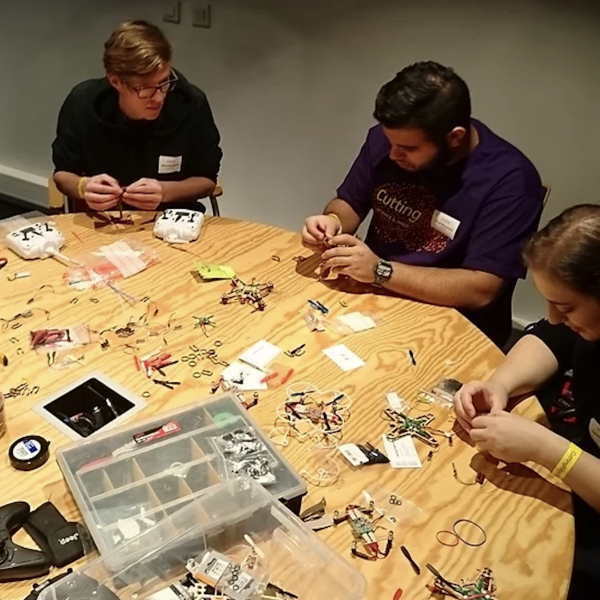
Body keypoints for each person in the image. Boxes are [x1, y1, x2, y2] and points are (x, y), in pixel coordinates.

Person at [301, 61, 543, 347]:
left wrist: (380, 270)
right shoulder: (389, 140)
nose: (393, 154)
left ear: (455, 137)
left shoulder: (512, 182)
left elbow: (481, 290)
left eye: (408, 148)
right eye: (389, 141)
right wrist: (332, 221)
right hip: (373, 297)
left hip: (454, 328)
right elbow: (349, 203)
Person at [454, 204, 600, 599]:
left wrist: (546, 449)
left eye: (565, 307)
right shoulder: (586, 322)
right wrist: (499, 384)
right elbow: (551, 338)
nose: (552, 316)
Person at [52, 20, 222, 213]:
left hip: (174, 219)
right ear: (115, 81)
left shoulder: (191, 104)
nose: (159, 98)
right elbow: (63, 174)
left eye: (164, 82)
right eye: (145, 89)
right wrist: (84, 187)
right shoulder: (83, 104)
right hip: (105, 220)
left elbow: (207, 180)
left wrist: (165, 191)